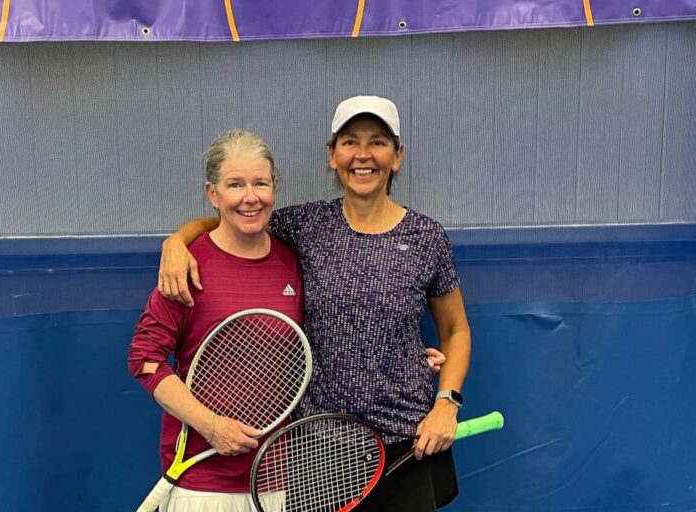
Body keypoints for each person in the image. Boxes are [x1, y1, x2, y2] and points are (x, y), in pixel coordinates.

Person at [158, 95, 472, 511]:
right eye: (350, 142)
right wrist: (177, 242)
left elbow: (455, 330)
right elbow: (232, 219)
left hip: (407, 441)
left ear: (397, 156)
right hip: (318, 448)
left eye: (377, 142)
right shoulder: (304, 225)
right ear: (332, 156)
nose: (363, 155)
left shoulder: (426, 237)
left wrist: (446, 404)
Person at [128, 130, 303, 511]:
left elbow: (323, 340)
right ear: (213, 194)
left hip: (273, 484)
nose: (250, 197)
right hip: (199, 486)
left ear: (275, 186)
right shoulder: (186, 265)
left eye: (260, 183)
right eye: (234, 185)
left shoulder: (294, 262)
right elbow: (146, 361)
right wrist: (212, 427)